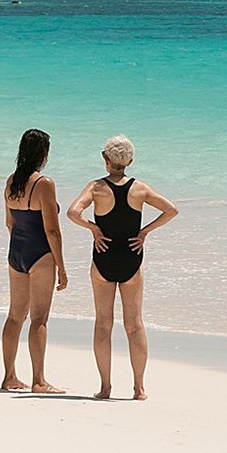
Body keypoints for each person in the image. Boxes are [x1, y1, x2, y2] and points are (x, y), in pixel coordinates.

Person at [67, 134, 179, 400]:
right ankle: (139, 388)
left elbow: (72, 212)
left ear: (105, 160)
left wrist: (93, 229)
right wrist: (145, 232)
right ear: (130, 160)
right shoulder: (140, 189)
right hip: (131, 260)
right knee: (135, 325)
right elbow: (171, 210)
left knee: (103, 324)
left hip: (103, 259)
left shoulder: (96, 188)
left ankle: (105, 387)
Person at [1, 128, 67, 393]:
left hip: (16, 252)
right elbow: (52, 230)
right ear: (44, 153)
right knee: (39, 319)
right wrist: (61, 266)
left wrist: (21, 246)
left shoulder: (10, 182)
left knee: (15, 316)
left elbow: (9, 222)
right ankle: (39, 381)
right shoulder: (44, 184)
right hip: (40, 255)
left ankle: (9, 377)